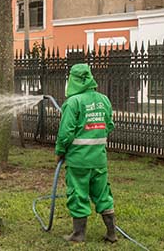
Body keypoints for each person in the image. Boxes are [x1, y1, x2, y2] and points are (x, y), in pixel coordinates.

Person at [55, 64, 117, 243]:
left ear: (73, 80)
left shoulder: (73, 102)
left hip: (79, 160)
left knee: (78, 194)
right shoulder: (104, 99)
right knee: (103, 194)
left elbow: (65, 133)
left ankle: (79, 234)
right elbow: (109, 125)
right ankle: (111, 233)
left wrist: (60, 152)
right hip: (99, 159)